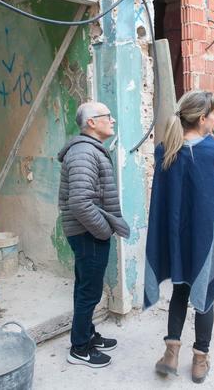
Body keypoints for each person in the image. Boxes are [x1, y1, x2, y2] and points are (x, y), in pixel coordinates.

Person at [144, 91, 214, 384]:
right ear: (201, 118)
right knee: (205, 297)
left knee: (180, 291)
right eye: (212, 115)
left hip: (176, 237)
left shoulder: (164, 149)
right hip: (204, 238)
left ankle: (171, 353)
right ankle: (200, 359)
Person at [57, 101, 130, 367]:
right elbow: (80, 202)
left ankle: (87, 334)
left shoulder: (90, 150)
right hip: (88, 233)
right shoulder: (84, 154)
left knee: (86, 287)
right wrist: (103, 231)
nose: (112, 120)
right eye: (107, 116)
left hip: (89, 232)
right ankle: (79, 349)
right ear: (91, 122)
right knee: (89, 291)